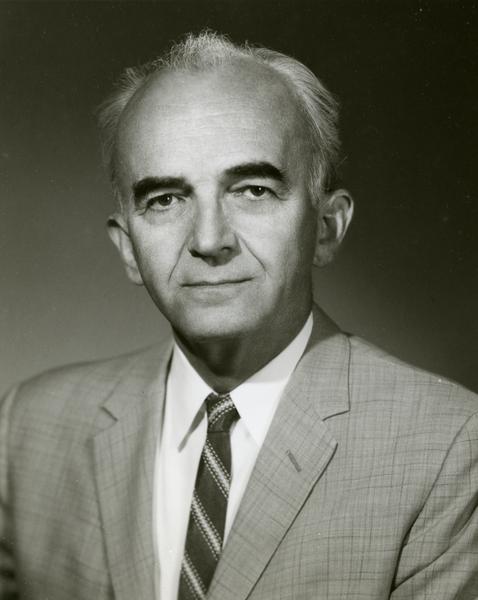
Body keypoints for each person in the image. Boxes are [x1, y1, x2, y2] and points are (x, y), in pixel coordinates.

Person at [1, 31, 477, 600]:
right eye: (165, 200)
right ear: (128, 248)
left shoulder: (448, 447)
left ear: (326, 228)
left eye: (252, 190)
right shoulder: (29, 426)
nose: (209, 240)